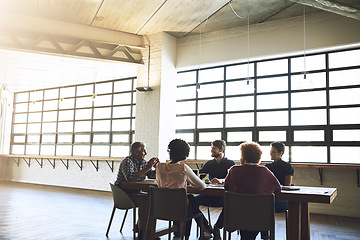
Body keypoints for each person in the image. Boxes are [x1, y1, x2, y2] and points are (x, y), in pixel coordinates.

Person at [215, 142, 281, 240]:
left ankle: (217, 228)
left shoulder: (234, 170)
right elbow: (278, 188)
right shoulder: (264, 171)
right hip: (260, 218)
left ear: (243, 156)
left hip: (236, 216)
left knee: (239, 208)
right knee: (255, 211)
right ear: (258, 157)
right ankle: (262, 235)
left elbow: (226, 186)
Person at [156, 139, 213, 239]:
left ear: (170, 151)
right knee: (190, 203)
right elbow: (202, 186)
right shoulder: (183, 168)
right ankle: (201, 230)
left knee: (190, 200)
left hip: (161, 208)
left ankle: (201, 230)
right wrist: (188, 180)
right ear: (184, 154)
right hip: (179, 210)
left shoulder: (159, 167)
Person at [115, 142, 159, 239]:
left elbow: (151, 175)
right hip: (124, 194)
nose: (146, 153)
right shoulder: (127, 162)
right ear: (136, 153)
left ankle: (143, 228)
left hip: (136, 192)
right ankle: (143, 232)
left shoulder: (143, 162)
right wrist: (148, 167)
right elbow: (130, 178)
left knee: (153, 197)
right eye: (143, 151)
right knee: (146, 200)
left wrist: (157, 168)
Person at [196, 140, 235, 240]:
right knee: (191, 201)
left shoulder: (230, 163)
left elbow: (233, 179)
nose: (211, 150)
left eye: (214, 148)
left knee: (231, 203)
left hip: (224, 196)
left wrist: (221, 180)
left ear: (221, 150)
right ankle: (206, 227)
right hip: (209, 195)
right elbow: (199, 176)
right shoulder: (209, 163)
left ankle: (217, 227)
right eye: (211, 147)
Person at [265, 141, 294, 212]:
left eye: (273, 152)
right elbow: (287, 186)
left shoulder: (287, 166)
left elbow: (287, 185)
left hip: (274, 198)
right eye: (271, 151)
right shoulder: (267, 166)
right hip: (276, 197)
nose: (270, 154)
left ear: (280, 153)